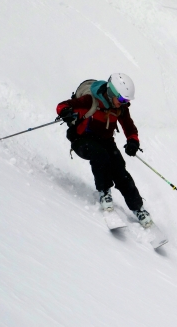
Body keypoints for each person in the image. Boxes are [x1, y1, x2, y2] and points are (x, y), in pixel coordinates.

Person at [56, 73, 153, 228]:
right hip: (82, 139)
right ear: (111, 93)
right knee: (100, 155)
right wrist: (65, 112)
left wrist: (133, 141)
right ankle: (104, 193)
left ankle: (138, 208)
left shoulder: (120, 107)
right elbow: (62, 105)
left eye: (126, 100)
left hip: (106, 141)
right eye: (121, 99)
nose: (123, 103)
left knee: (120, 170)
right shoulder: (90, 100)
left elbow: (129, 126)